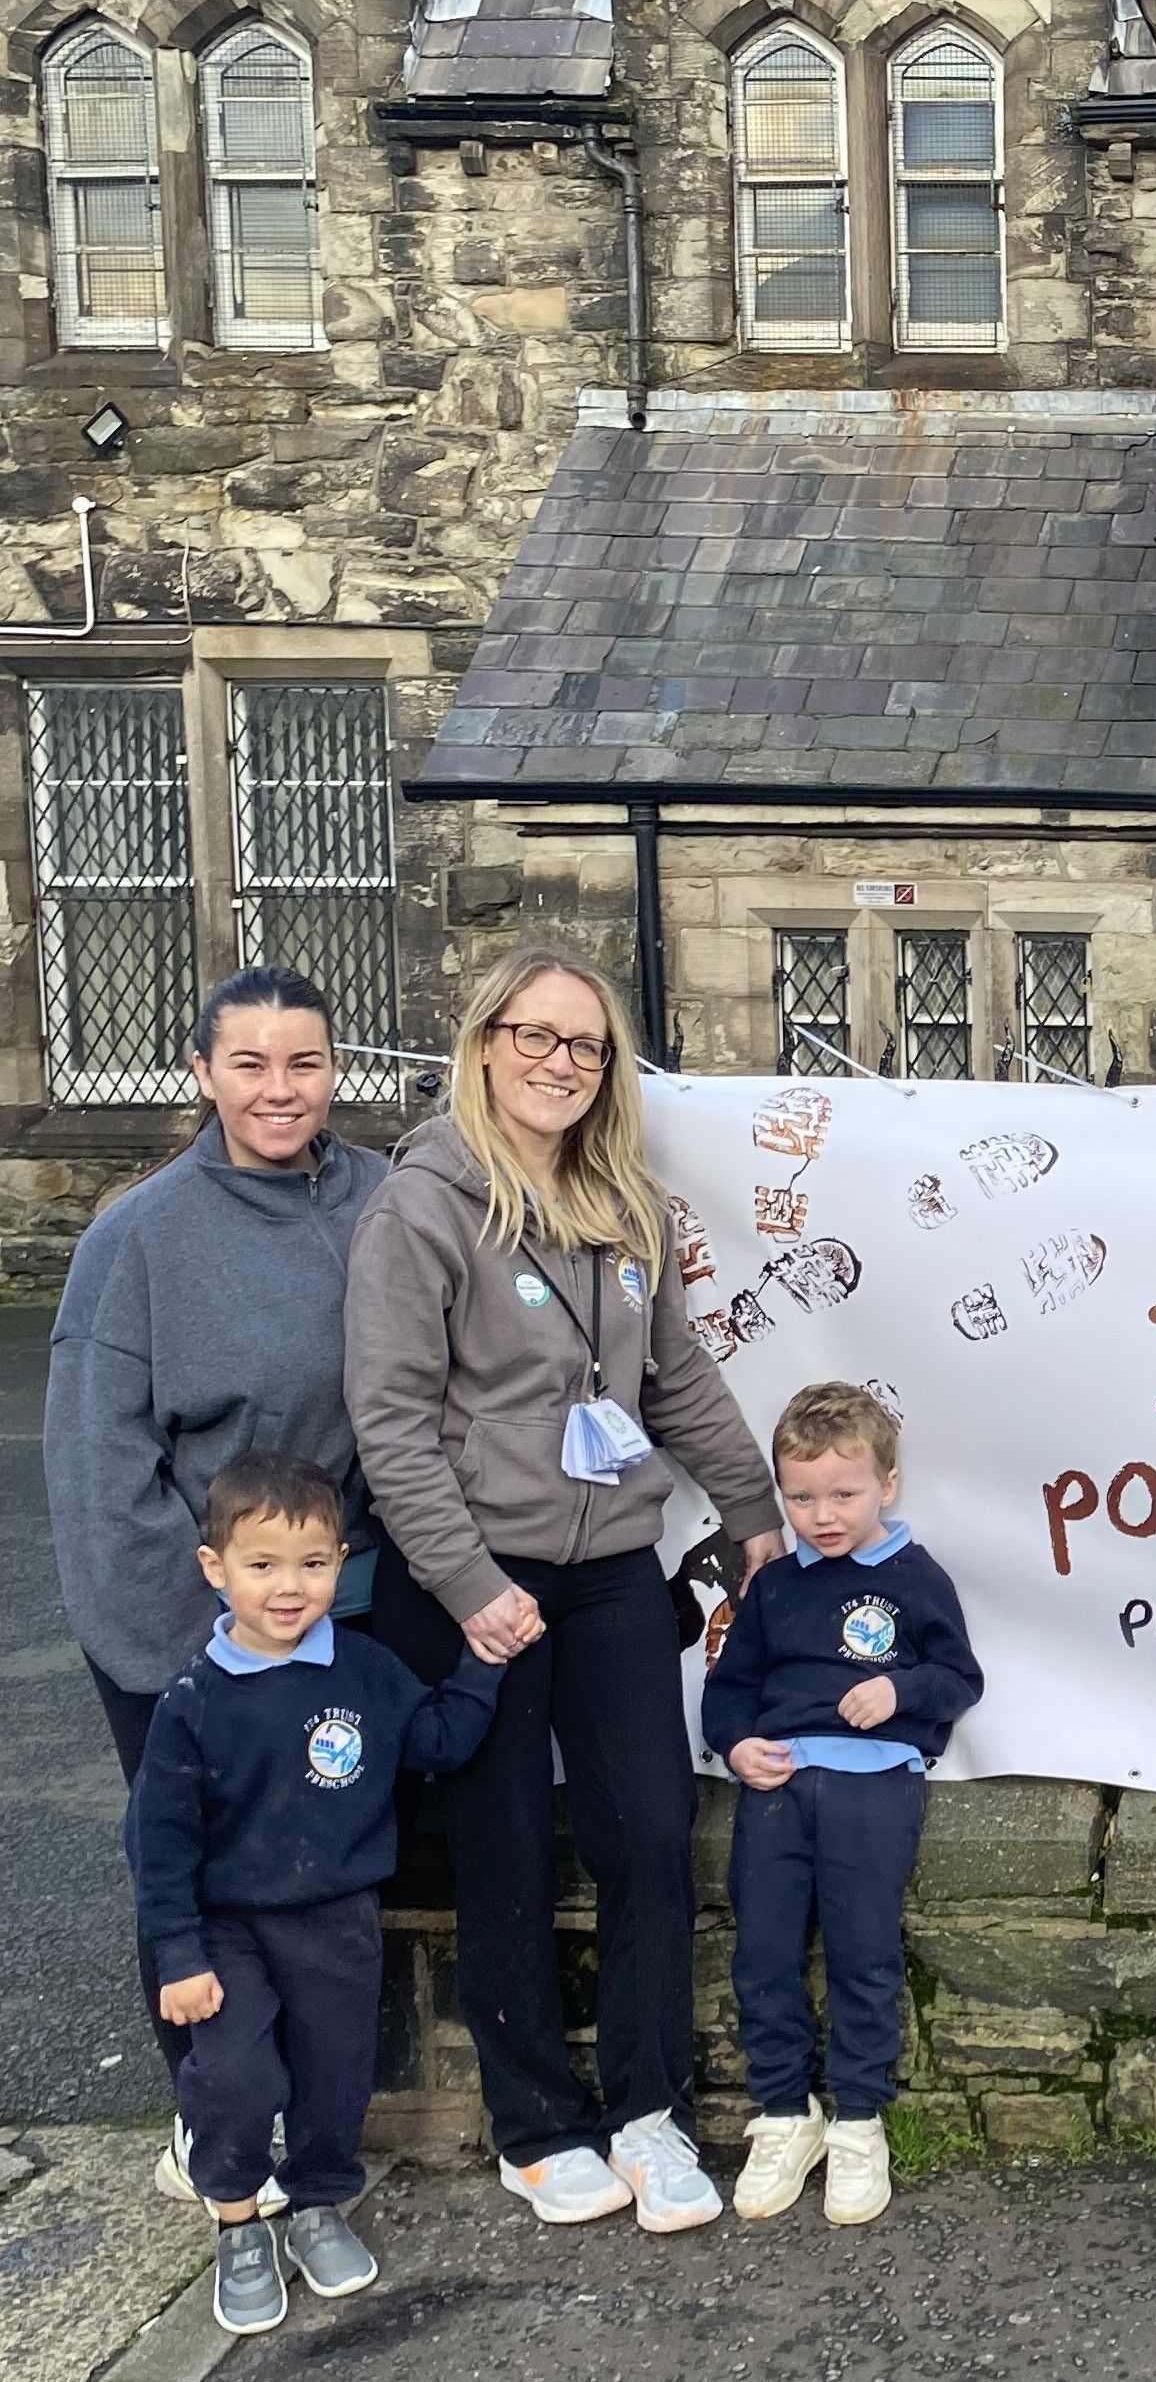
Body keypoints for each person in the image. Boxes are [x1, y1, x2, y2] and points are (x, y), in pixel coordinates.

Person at [346, 946, 782, 2233]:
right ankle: (536, 2128)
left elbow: (676, 1375)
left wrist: (753, 1507)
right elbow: (390, 1418)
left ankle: (651, 2111)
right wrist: (469, 1581)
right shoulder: (420, 1208)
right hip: (470, 1580)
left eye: (586, 1046)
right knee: (504, 1856)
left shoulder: (626, 1202)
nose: (560, 1063)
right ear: (484, 1044)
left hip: (607, 1576)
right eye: (535, 1037)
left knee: (649, 1834)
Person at [43, 966, 389, 2202]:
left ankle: (316, 2107)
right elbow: (99, 1466)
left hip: (340, 1599)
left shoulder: (381, 1202)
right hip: (194, 1618)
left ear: (334, 1068)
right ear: (202, 1074)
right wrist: (207, 1639)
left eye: (303, 1062)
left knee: (317, 1867)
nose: (279, 1089)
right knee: (195, 1874)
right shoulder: (135, 1238)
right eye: (249, 1064)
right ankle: (211, 2113)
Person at [126, 1449, 503, 2335]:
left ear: (342, 1560)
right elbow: (161, 1841)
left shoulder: (366, 1673)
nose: (287, 1587)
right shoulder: (192, 1700)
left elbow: (439, 1741)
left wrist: (485, 1664)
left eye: (312, 1563)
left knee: (336, 2079)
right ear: (215, 1569)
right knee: (235, 2076)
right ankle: (237, 2222)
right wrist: (177, 1953)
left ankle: (318, 2206)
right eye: (261, 1565)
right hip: (225, 1930)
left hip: (337, 1920)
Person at [703, 1381, 983, 2226]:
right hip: (777, 1791)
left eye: (844, 1494)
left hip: (875, 1790)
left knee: (863, 1954)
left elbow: (958, 1676)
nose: (822, 1514)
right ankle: (785, 2114)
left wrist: (898, 1693)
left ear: (886, 1486)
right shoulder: (776, 1585)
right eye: (801, 1497)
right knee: (763, 1955)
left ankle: (860, 2119)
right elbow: (729, 1690)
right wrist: (736, 1743)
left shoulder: (913, 1575)